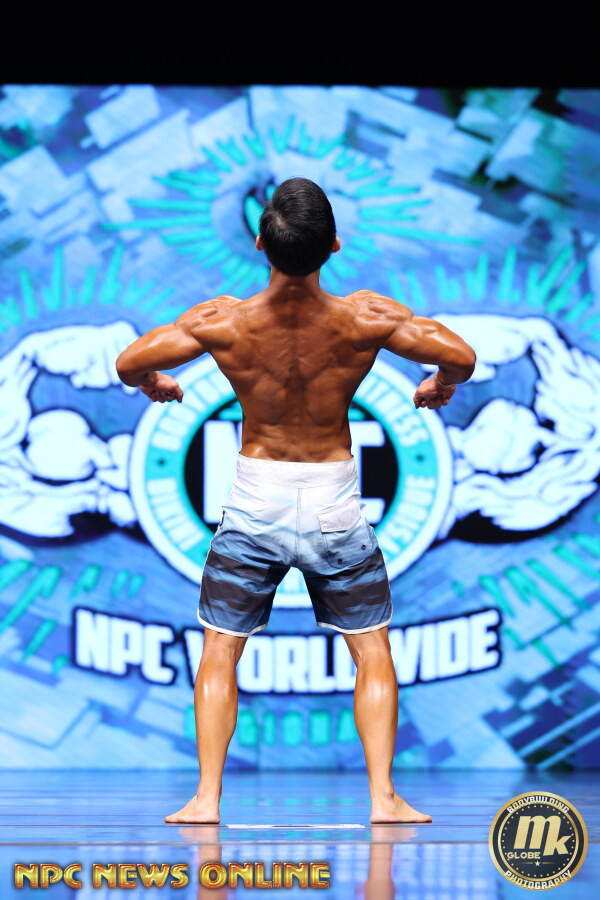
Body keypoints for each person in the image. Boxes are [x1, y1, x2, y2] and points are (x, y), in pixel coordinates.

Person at [116, 177, 476, 825]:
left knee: (220, 648)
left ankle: (205, 800)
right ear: (335, 244)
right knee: (371, 649)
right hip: (335, 499)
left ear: (259, 243)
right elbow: (461, 356)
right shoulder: (366, 317)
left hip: (257, 499)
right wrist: (438, 386)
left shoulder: (223, 321)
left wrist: (156, 384)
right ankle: (384, 799)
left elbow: (128, 362)